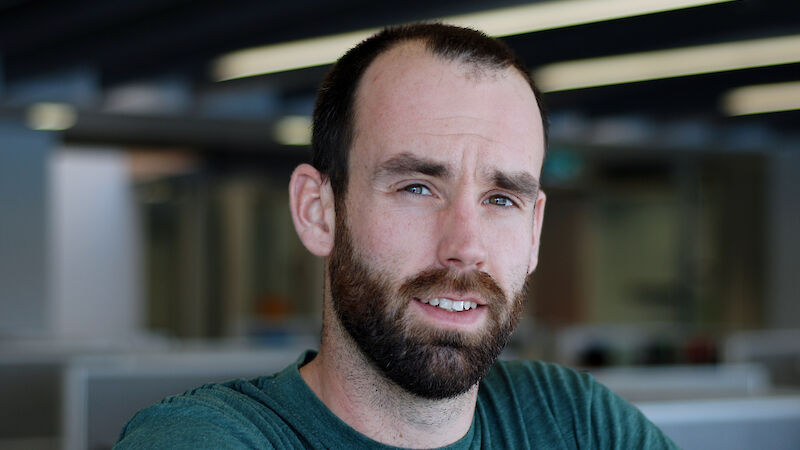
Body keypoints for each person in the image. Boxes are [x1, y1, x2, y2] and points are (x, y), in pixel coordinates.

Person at [115, 23, 677, 449]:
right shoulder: (205, 439)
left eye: (502, 199)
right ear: (318, 211)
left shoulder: (573, 422)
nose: (466, 245)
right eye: (416, 187)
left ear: (534, 233)